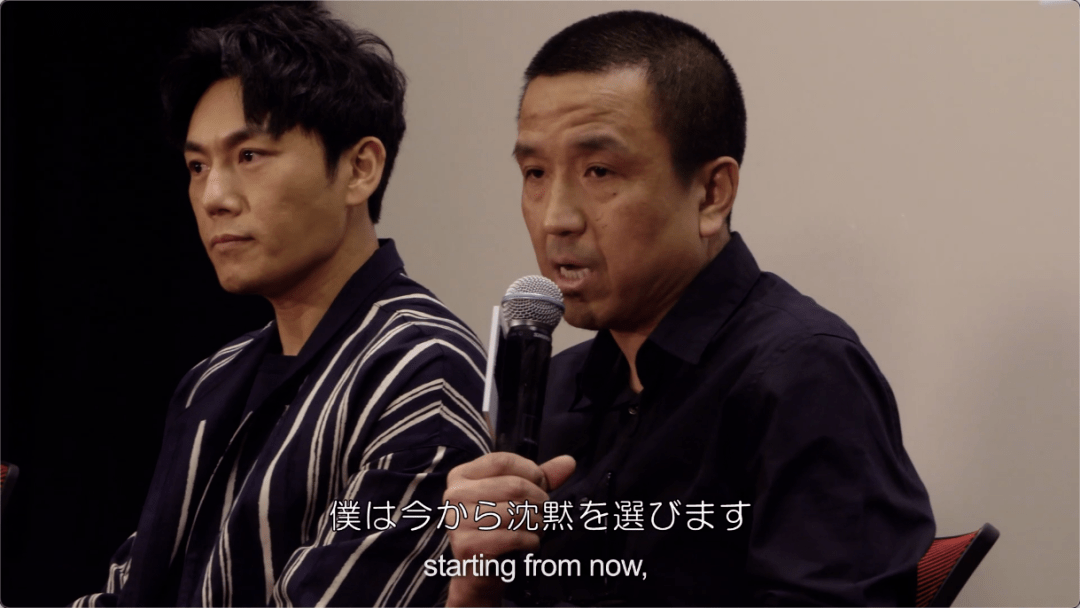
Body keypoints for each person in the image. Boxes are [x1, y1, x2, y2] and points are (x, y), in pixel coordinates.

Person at [443, 10, 935, 606]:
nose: (555, 218)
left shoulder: (803, 375)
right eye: (535, 173)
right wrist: (475, 586)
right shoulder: (555, 390)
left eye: (599, 171)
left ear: (711, 194)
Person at [71, 5, 490, 606]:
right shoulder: (210, 381)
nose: (214, 197)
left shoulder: (422, 368)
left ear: (360, 168)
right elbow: (131, 590)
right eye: (197, 166)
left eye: (249, 156)